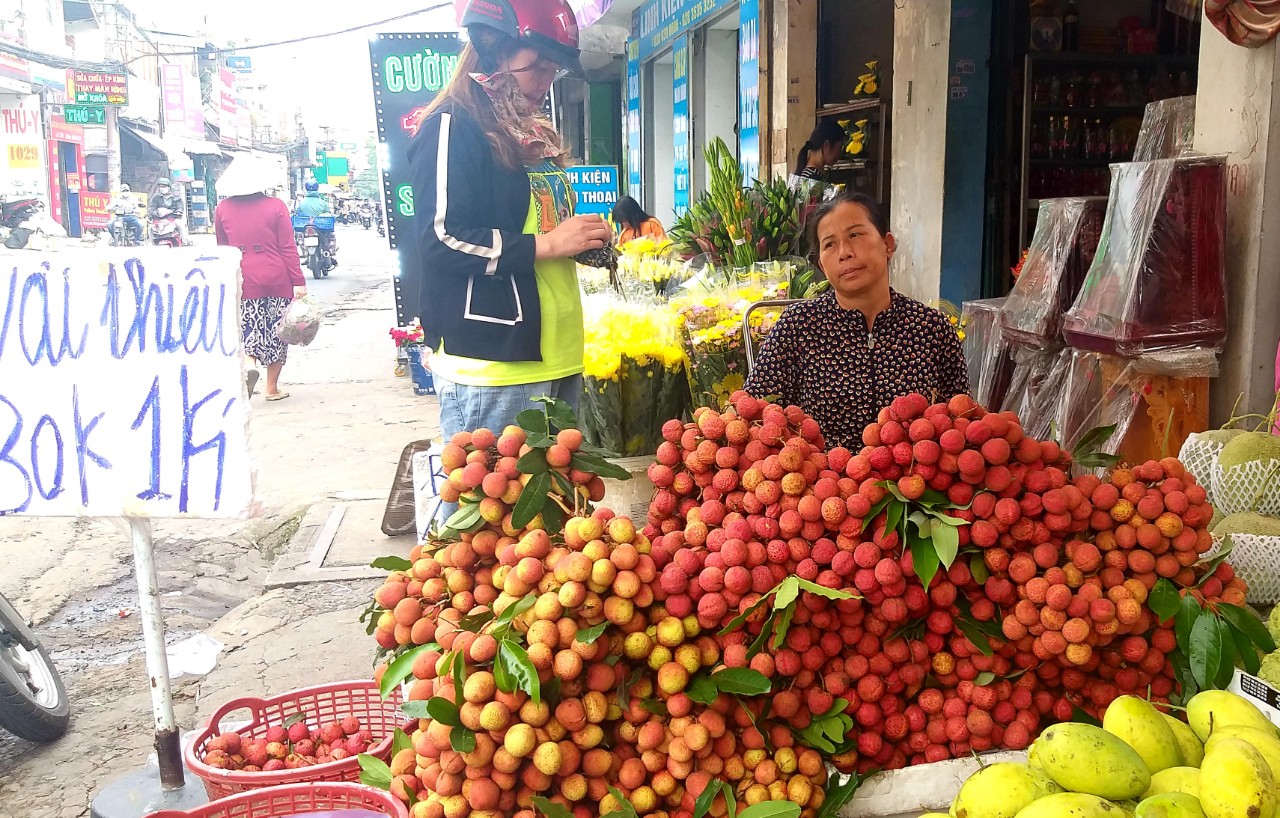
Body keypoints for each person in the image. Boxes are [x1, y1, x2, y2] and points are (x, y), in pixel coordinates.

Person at [407, 0, 611, 442]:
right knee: (492, 508)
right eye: (536, 67)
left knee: (556, 508)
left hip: (557, 350)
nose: (545, 82)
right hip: (494, 363)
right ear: (492, 49)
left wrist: (582, 239)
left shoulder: (529, 132)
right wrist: (548, 245)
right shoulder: (450, 126)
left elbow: (537, 224)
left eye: (552, 69)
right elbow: (441, 238)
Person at [744, 191, 969, 449]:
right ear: (821, 263)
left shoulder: (932, 328)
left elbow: (961, 421)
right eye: (830, 244)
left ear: (888, 244)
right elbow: (754, 415)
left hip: (914, 484)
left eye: (855, 235)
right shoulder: (797, 326)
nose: (845, 252)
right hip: (821, 483)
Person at [215, 155, 308, 402]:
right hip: (277, 275)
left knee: (249, 326)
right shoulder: (276, 206)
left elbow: (222, 249)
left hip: (242, 276)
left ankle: (249, 363)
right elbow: (288, 247)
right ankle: (271, 388)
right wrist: (298, 281)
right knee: (278, 331)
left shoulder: (223, 208)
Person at [148, 178, 186, 242]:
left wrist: (178, 212)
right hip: (159, 219)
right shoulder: (156, 198)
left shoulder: (176, 198)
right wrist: (155, 213)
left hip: (172, 218)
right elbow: (152, 209)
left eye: (164, 187)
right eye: (160, 187)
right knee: (150, 228)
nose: (162, 189)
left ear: (169, 188)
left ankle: (185, 241)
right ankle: (151, 243)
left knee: (180, 224)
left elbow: (180, 207)